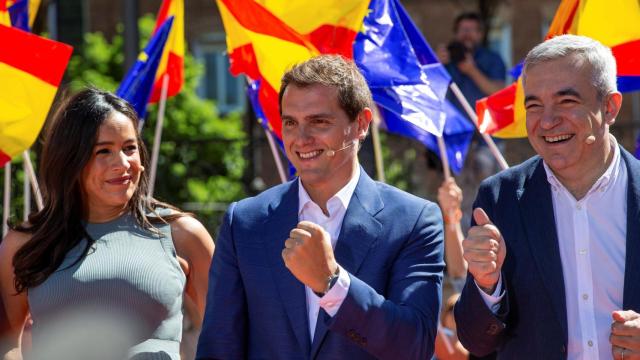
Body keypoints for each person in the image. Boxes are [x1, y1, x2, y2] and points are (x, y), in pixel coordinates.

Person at [195, 55, 445, 360]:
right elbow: (219, 346)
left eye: (319, 122)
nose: (301, 139)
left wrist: (332, 284)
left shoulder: (414, 220)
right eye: (290, 123)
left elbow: (415, 345)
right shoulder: (245, 222)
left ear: (361, 124)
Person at [454, 34, 640, 359]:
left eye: (566, 102)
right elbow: (476, 342)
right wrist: (486, 285)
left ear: (609, 107)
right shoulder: (500, 198)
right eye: (534, 105)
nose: (548, 120)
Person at [0, 88, 214, 360]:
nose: (122, 163)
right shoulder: (24, 244)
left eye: (129, 148)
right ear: (70, 161)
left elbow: (227, 335)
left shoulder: (183, 233)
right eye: (103, 151)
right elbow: (7, 345)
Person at [437, 12, 506, 108]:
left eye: (471, 30)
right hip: (453, 120)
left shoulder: (492, 59)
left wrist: (472, 71)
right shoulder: (447, 57)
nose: (467, 34)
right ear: (455, 33)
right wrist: (435, 64)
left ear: (480, 34)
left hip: (482, 120)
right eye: (463, 29)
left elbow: (500, 93)